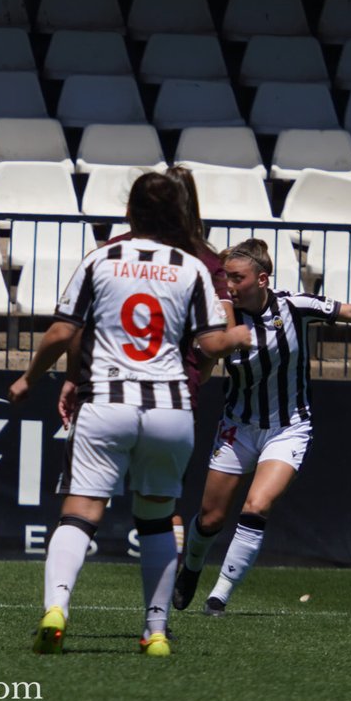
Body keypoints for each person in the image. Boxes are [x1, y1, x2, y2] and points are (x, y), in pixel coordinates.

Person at [8, 171, 251, 657]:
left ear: (129, 212)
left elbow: (61, 333)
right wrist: (239, 336)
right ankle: (155, 631)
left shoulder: (102, 258)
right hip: (170, 407)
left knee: (79, 514)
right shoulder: (192, 266)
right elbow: (208, 345)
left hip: (106, 402)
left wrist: (29, 379)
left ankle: (57, 608)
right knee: (158, 520)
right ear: (178, 214)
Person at [172, 239, 351, 616]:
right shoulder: (222, 318)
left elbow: (349, 311)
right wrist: (205, 354)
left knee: (257, 505)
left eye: (237, 278)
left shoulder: (295, 306)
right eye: (227, 278)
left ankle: (218, 596)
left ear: (262, 278)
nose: (230, 286)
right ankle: (191, 568)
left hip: (288, 427)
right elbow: (202, 372)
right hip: (238, 426)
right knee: (211, 518)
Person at [58, 165, 234, 554]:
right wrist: (197, 375)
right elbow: (217, 337)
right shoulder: (204, 261)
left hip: (105, 388)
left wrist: (69, 377)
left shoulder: (108, 252)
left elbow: (72, 327)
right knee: (161, 506)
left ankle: (58, 597)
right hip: (173, 393)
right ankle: (159, 607)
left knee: (85, 502)